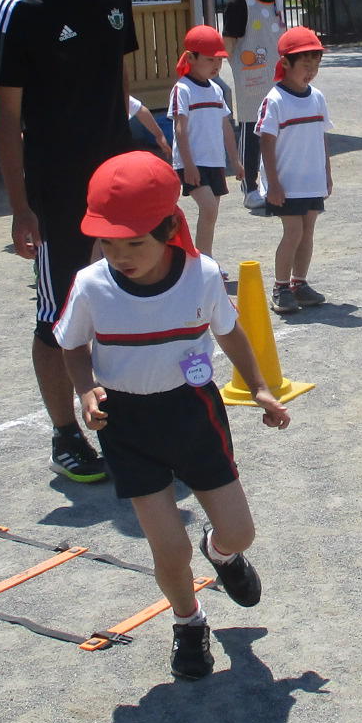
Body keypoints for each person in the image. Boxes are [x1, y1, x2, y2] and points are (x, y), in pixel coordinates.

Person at [52, 153, 289, 682]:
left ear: (169, 227)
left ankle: (221, 553)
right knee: (168, 546)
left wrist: (261, 389)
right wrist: (87, 389)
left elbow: (229, 333)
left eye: (134, 242)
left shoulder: (202, 277)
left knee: (241, 532)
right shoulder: (92, 285)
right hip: (125, 423)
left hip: (193, 412)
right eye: (109, 242)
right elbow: (71, 345)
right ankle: (188, 621)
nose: (120, 255)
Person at [0, 0, 140, 485]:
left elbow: (115, 81)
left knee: (125, 300)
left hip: (115, 184)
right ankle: (66, 435)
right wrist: (21, 208)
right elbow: (7, 121)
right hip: (55, 191)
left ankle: (123, 418)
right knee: (58, 315)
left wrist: (131, 165)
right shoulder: (15, 8)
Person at [257, 27, 334, 315]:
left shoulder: (317, 97)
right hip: (286, 182)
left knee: (308, 230)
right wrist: (272, 183)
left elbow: (322, 137)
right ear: (285, 63)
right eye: (305, 65)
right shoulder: (275, 100)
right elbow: (265, 143)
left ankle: (299, 284)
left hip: (311, 180)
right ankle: (280, 287)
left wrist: (327, 172)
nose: (311, 71)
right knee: (293, 231)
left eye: (316, 65)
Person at [221, 0, 286, 209]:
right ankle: (250, 188)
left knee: (278, 128)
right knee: (252, 129)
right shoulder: (239, 0)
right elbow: (228, 43)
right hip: (251, 76)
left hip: (279, 71)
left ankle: (275, 182)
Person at [169, 25, 241, 259]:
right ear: (191, 57)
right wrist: (188, 164)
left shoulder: (216, 90)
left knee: (211, 213)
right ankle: (202, 260)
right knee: (208, 208)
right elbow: (181, 129)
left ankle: (206, 260)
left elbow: (226, 127)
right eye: (210, 60)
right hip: (192, 162)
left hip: (214, 161)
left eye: (219, 61)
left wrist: (236, 161)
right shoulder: (183, 89)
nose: (216, 66)